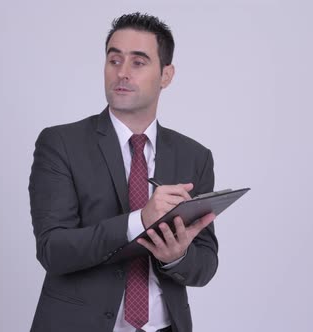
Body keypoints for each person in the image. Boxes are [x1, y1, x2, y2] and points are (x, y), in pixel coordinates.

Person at [28, 12, 218, 332]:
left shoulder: (194, 157)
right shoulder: (60, 143)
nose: (122, 73)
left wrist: (177, 256)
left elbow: (206, 264)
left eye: (138, 62)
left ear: (166, 75)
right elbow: (53, 251)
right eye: (114, 60)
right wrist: (140, 221)